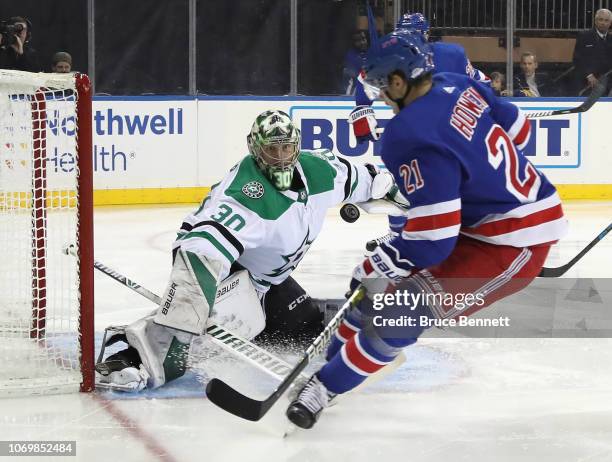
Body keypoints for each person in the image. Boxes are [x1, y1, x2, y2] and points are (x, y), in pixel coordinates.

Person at [286, 30, 568, 429]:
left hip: (513, 242)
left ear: (400, 81)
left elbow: (435, 240)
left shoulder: (407, 136)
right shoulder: (457, 82)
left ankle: (325, 386)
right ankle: (331, 357)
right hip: (480, 221)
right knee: (369, 292)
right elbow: (521, 131)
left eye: (384, 86)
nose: (381, 95)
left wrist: (382, 264)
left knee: (400, 313)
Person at [95, 110, 399, 391]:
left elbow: (366, 178)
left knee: (305, 325)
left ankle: (254, 325)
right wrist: (193, 306)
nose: (281, 158)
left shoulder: (318, 170)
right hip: (231, 277)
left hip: (269, 282)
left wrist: (398, 191)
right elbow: (199, 250)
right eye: (272, 149)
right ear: (255, 149)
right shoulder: (246, 195)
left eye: (286, 148)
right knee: (185, 348)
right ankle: (128, 354)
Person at [349, 12, 489, 250]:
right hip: (416, 131)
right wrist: (363, 110)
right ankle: (399, 235)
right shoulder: (396, 54)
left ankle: (459, 234)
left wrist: (484, 106)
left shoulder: (448, 54)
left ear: (424, 35)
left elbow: (479, 81)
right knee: (408, 181)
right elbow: (365, 80)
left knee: (443, 181)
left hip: (446, 131)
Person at [571, 8, 612, 96]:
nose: (603, 23)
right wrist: (589, 76)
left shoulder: (610, 39)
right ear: (595, 21)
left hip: (607, 83)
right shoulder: (584, 36)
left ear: (610, 23)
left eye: (606, 20)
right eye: (600, 19)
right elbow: (577, 59)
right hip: (587, 84)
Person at [342, 30, 369, 95]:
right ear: (352, 42)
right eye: (358, 40)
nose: (362, 42)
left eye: (363, 38)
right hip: (353, 97)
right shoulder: (351, 56)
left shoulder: (368, 53)